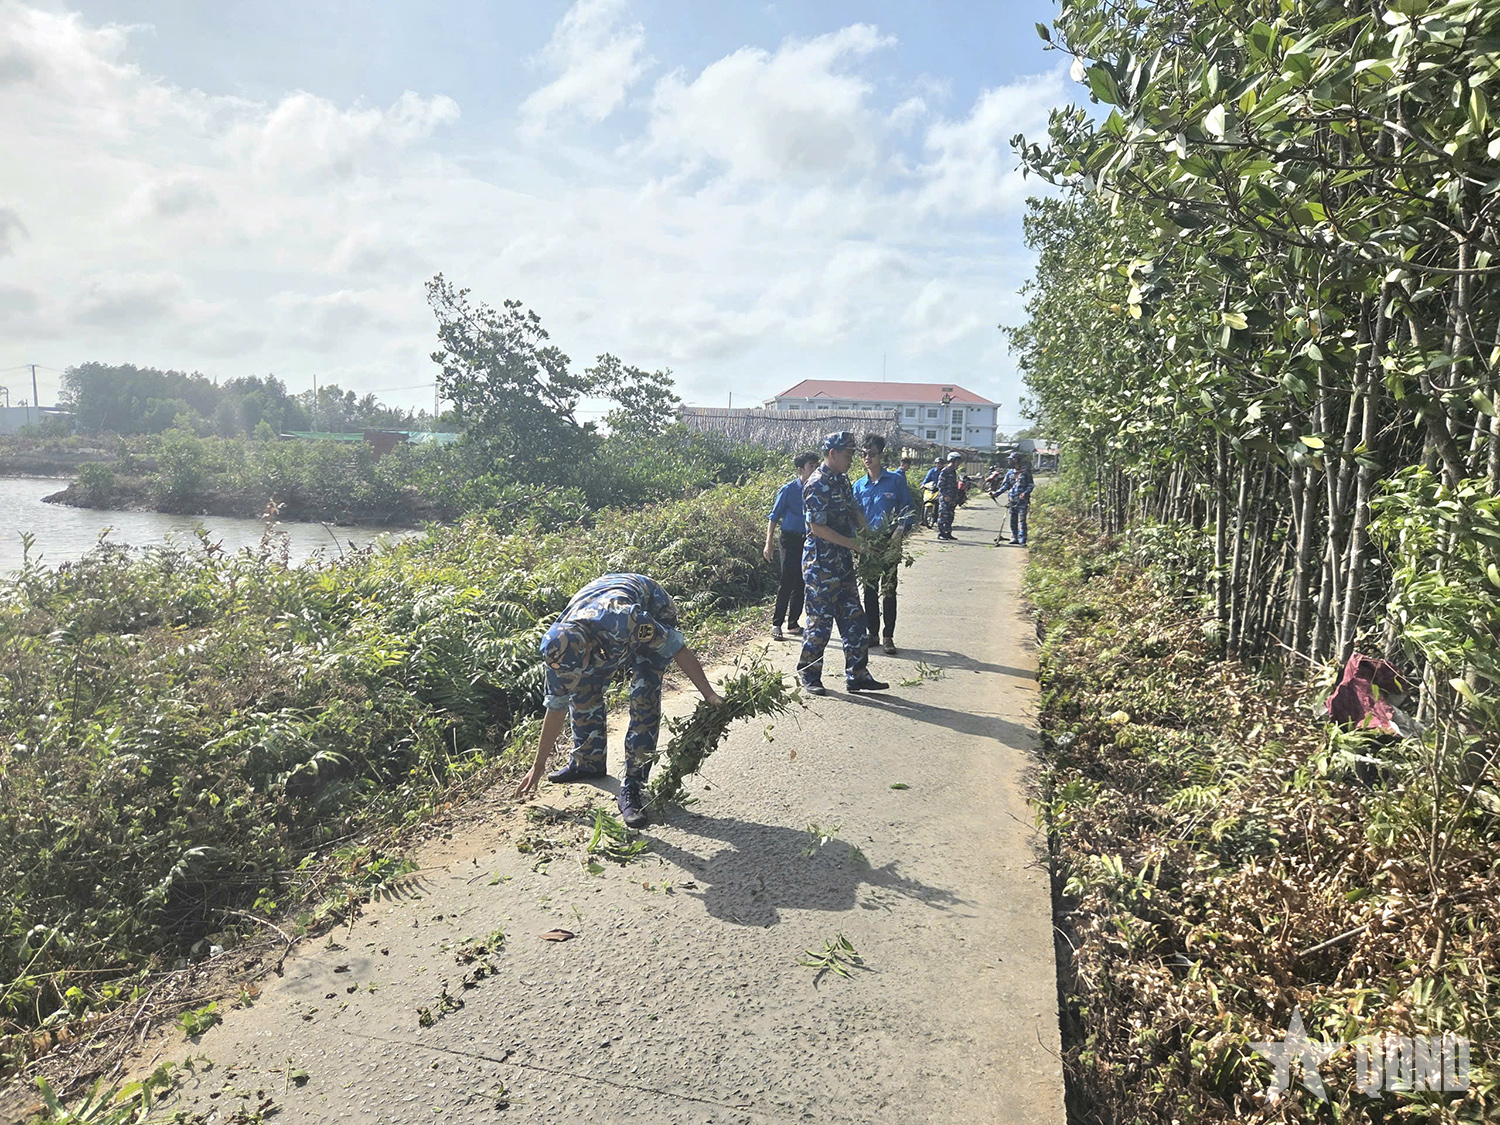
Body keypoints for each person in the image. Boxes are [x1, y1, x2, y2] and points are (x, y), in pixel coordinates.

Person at [513, 573, 724, 828]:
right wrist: (538, 767)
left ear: (589, 647)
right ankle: (587, 762)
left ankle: (633, 784)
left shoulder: (628, 620)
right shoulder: (558, 647)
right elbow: (556, 707)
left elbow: (676, 647)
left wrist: (709, 695)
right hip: (598, 603)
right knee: (582, 687)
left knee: (643, 692)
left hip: (652, 604)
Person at [797, 431, 889, 697]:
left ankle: (858, 675)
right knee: (820, 624)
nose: (852, 459)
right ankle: (810, 673)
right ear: (832, 454)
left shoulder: (842, 479)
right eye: (848, 454)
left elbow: (853, 510)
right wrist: (856, 545)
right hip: (820, 566)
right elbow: (817, 527)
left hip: (842, 563)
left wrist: (868, 534)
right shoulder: (816, 484)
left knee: (855, 621)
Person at [852, 434, 915, 654]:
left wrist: (899, 532)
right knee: (869, 590)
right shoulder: (859, 485)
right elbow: (855, 515)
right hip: (868, 544)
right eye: (864, 454)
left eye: (872, 454)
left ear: (881, 456)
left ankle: (889, 636)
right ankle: (873, 633)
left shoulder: (896, 481)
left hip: (890, 541)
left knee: (888, 589)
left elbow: (908, 508)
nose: (867, 458)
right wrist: (859, 542)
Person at [763, 451, 819, 641]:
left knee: (802, 581)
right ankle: (776, 623)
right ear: (801, 469)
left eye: (815, 466)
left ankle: (793, 623)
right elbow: (774, 517)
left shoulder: (816, 489)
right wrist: (768, 543)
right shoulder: (788, 489)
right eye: (810, 466)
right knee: (787, 580)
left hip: (807, 539)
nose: (814, 470)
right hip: (788, 538)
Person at [1008, 453, 1035, 546]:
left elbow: (1031, 485)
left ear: (1017, 460)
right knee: (1013, 519)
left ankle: (1022, 539)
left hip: (1022, 501)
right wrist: (995, 494)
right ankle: (1014, 537)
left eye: (1012, 460)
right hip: (1012, 500)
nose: (1010, 462)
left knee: (1022, 519)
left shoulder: (1026, 472)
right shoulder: (1010, 473)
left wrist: (1025, 493)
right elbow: (1006, 485)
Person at [936, 451, 962, 540]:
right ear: (952, 461)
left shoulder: (953, 471)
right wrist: (945, 495)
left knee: (950, 516)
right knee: (943, 516)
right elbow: (940, 484)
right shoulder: (945, 471)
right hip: (945, 498)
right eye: (957, 461)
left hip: (952, 498)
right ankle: (941, 533)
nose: (958, 463)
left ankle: (948, 533)